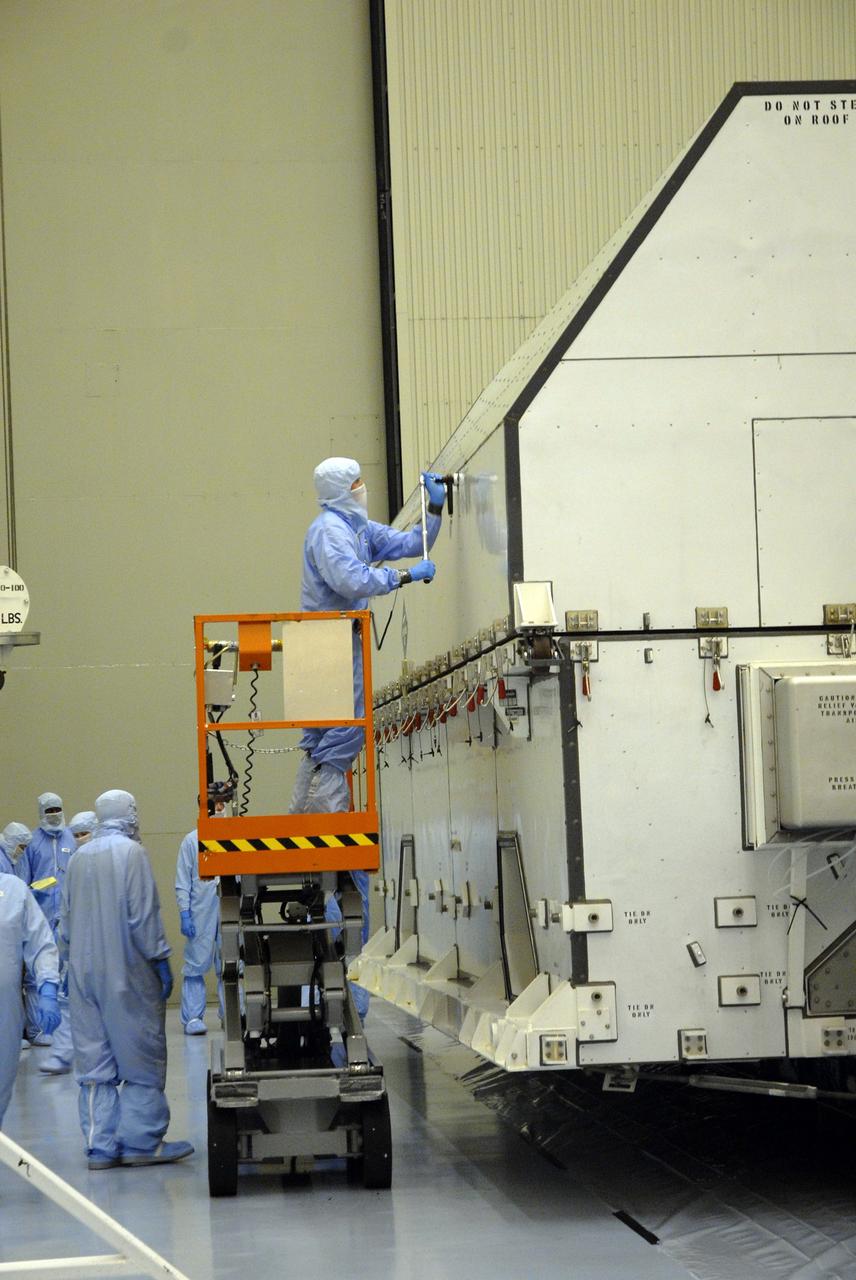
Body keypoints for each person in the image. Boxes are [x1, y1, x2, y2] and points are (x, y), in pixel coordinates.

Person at [289, 457, 444, 1017]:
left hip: (337, 643)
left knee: (329, 743)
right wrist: (401, 579)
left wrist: (434, 508)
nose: (363, 488)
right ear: (338, 490)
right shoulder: (329, 532)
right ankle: (322, 826)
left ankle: (309, 816)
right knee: (337, 742)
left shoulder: (352, 526)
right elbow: (352, 580)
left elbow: (406, 543)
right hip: (326, 645)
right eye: (356, 482)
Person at [59, 789, 193, 1170]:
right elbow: (143, 914)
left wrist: (66, 964)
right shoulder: (131, 853)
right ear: (127, 813)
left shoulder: (80, 857)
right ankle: (140, 1142)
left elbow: (65, 920)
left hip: (83, 976)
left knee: (94, 1064)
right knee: (141, 1058)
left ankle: (99, 1148)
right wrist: (160, 958)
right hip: (127, 972)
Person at [0, 871, 61, 1125]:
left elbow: (40, 942)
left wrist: (47, 985)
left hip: (5, 1012)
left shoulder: (12, 889)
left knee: (2, 1081)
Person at [175, 827, 222, 1036]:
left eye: (223, 804)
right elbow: (182, 881)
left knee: (231, 962)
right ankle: (193, 1016)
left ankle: (233, 1013)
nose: (220, 809)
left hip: (229, 906)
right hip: (200, 911)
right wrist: (184, 912)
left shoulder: (235, 836)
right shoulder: (191, 841)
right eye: (216, 804)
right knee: (196, 964)